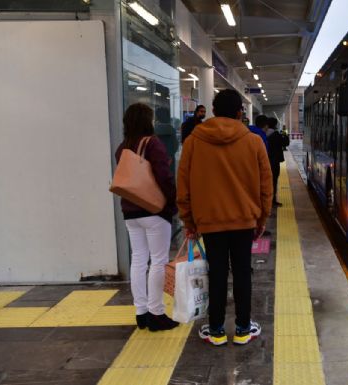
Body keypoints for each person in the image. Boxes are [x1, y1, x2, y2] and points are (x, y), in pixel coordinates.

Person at [177, 89, 273, 346]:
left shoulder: (193, 142)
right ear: (240, 113)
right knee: (242, 272)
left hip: (209, 221)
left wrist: (189, 221)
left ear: (213, 111)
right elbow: (266, 186)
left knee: (216, 272)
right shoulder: (254, 142)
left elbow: (183, 186)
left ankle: (216, 329)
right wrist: (262, 217)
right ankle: (243, 329)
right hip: (244, 221)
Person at [115, 103, 179, 332]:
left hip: (130, 211)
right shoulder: (152, 144)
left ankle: (141, 312)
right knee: (158, 261)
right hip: (153, 210)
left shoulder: (123, 146)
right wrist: (172, 202)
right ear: (147, 121)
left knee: (139, 259)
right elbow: (164, 176)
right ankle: (156, 313)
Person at [266, 117, 284, 207]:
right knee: (274, 181)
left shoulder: (262, 133)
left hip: (265, 161)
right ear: (275, 125)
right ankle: (272, 200)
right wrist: (284, 134)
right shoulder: (277, 135)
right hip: (275, 161)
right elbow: (285, 143)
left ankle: (266, 200)